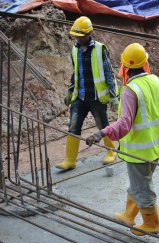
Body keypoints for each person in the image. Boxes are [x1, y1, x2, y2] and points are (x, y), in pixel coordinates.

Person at [85, 43, 159, 236]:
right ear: (144, 63)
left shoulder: (130, 89)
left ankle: (151, 223)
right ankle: (129, 215)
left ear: (125, 67)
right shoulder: (156, 81)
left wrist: (102, 133)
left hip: (139, 150)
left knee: (142, 186)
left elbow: (124, 124)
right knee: (139, 183)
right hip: (157, 146)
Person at [55, 16, 119, 170]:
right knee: (73, 126)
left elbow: (108, 73)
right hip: (81, 97)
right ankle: (70, 160)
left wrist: (113, 96)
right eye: (75, 35)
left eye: (80, 35)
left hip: (97, 97)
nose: (77, 38)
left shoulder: (100, 49)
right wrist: (70, 90)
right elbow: (75, 72)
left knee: (102, 125)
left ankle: (111, 152)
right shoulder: (74, 49)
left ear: (88, 33)